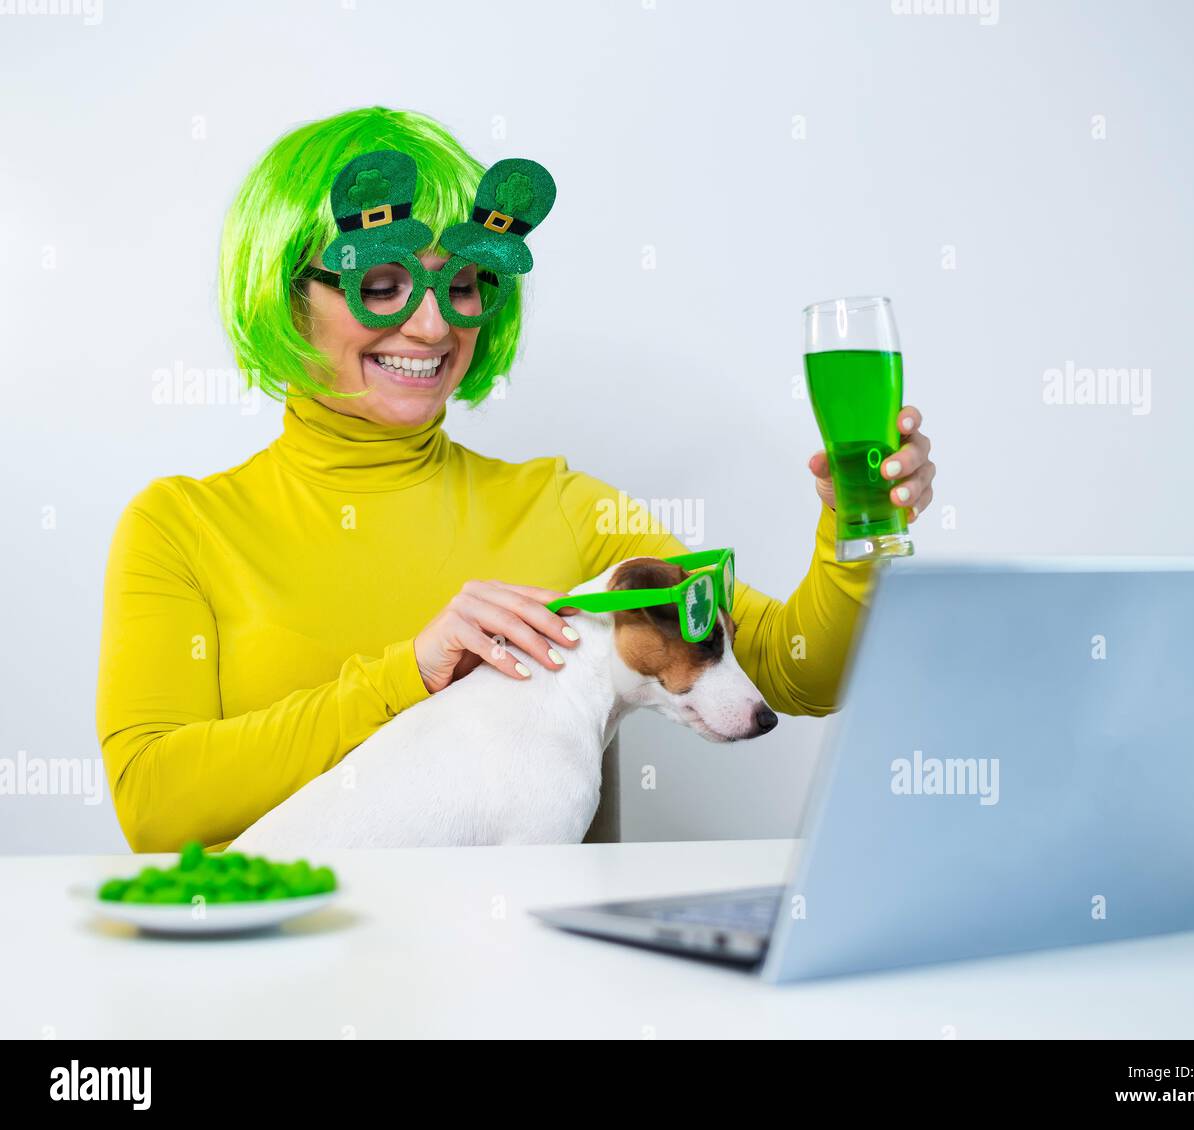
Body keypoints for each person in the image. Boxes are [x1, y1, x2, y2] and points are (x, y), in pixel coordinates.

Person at [95, 106, 938, 852]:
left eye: (461, 284)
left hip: (527, 997)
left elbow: (794, 675)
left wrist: (859, 525)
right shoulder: (183, 526)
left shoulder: (566, 510)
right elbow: (156, 808)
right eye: (381, 284)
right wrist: (409, 675)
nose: (430, 324)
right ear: (285, 296)